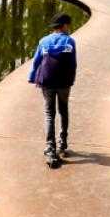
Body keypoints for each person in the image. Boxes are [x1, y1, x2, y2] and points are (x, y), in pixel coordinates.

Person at [27, 13, 77, 168]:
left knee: (49, 114)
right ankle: (62, 143)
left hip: (47, 82)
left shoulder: (44, 41)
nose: (68, 27)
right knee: (63, 111)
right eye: (67, 25)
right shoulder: (70, 41)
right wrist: (71, 80)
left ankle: (50, 147)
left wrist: (32, 76)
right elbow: (73, 64)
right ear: (64, 26)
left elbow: (36, 62)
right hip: (64, 83)